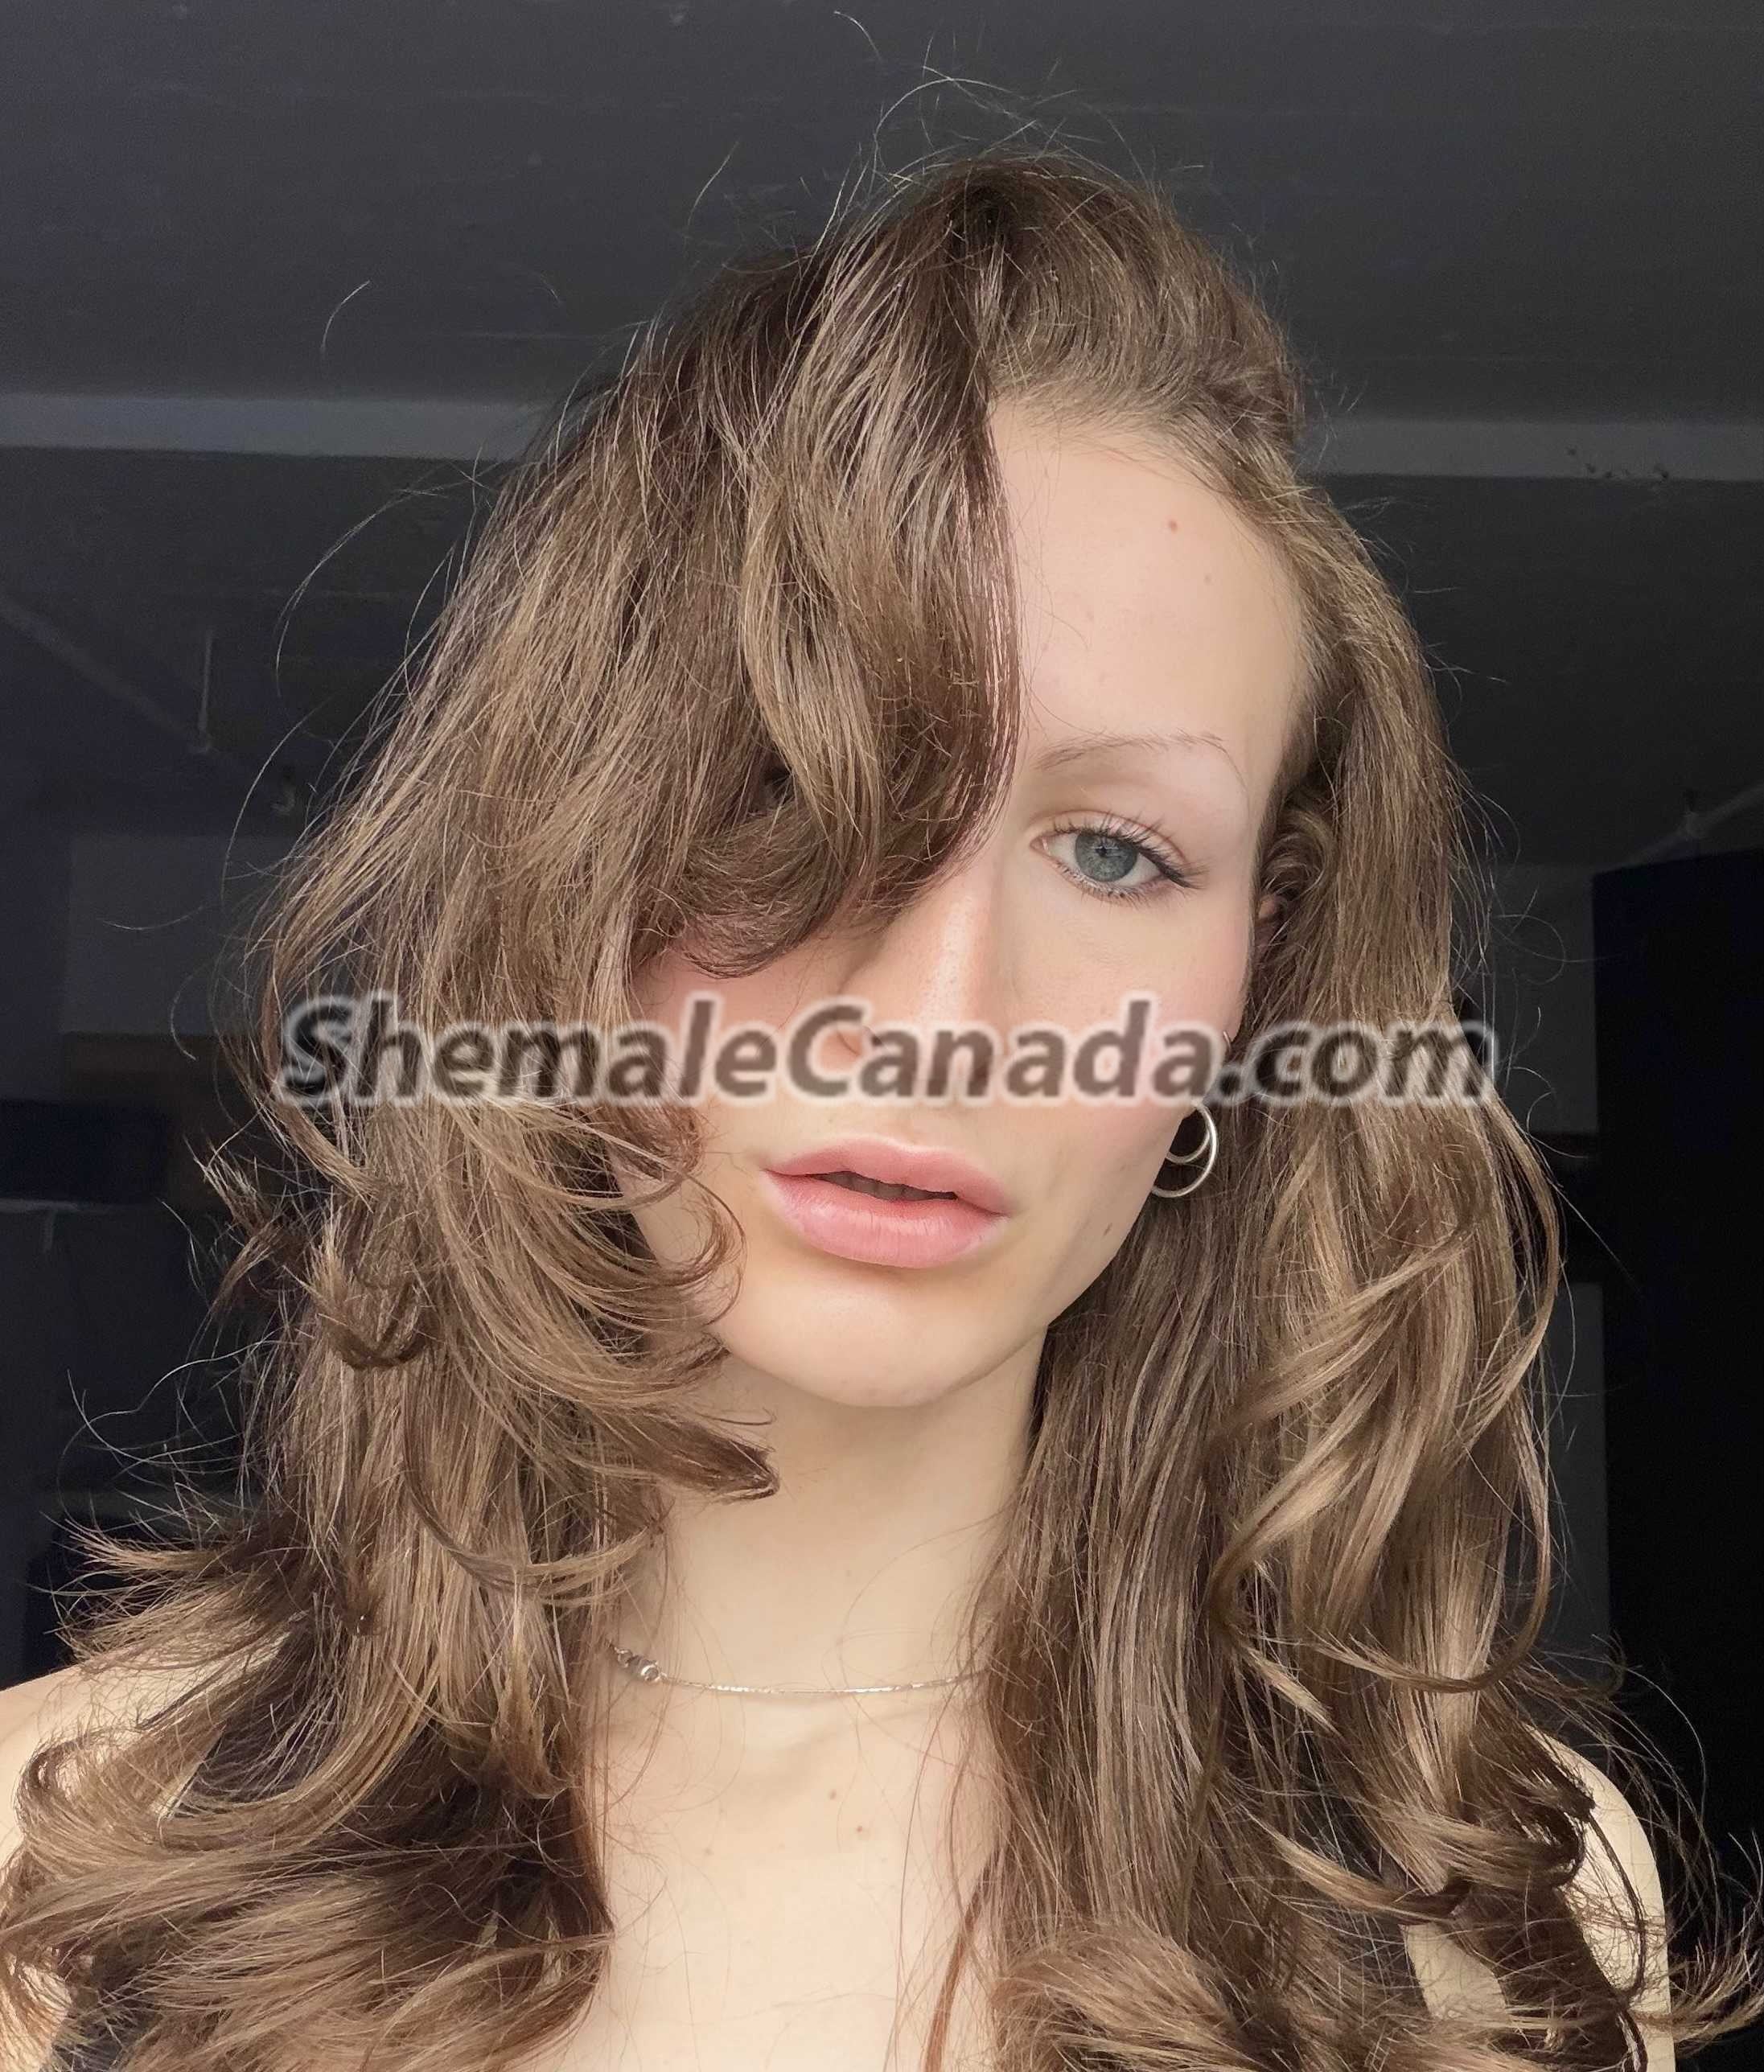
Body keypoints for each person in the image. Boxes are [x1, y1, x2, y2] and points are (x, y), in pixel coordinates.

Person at [1, 145, 1758, 2072]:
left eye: (1112, 850)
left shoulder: (1509, 1912)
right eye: (783, 782)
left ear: (1252, 984)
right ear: (555, 873)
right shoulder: (59, 1856)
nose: (936, 1021)